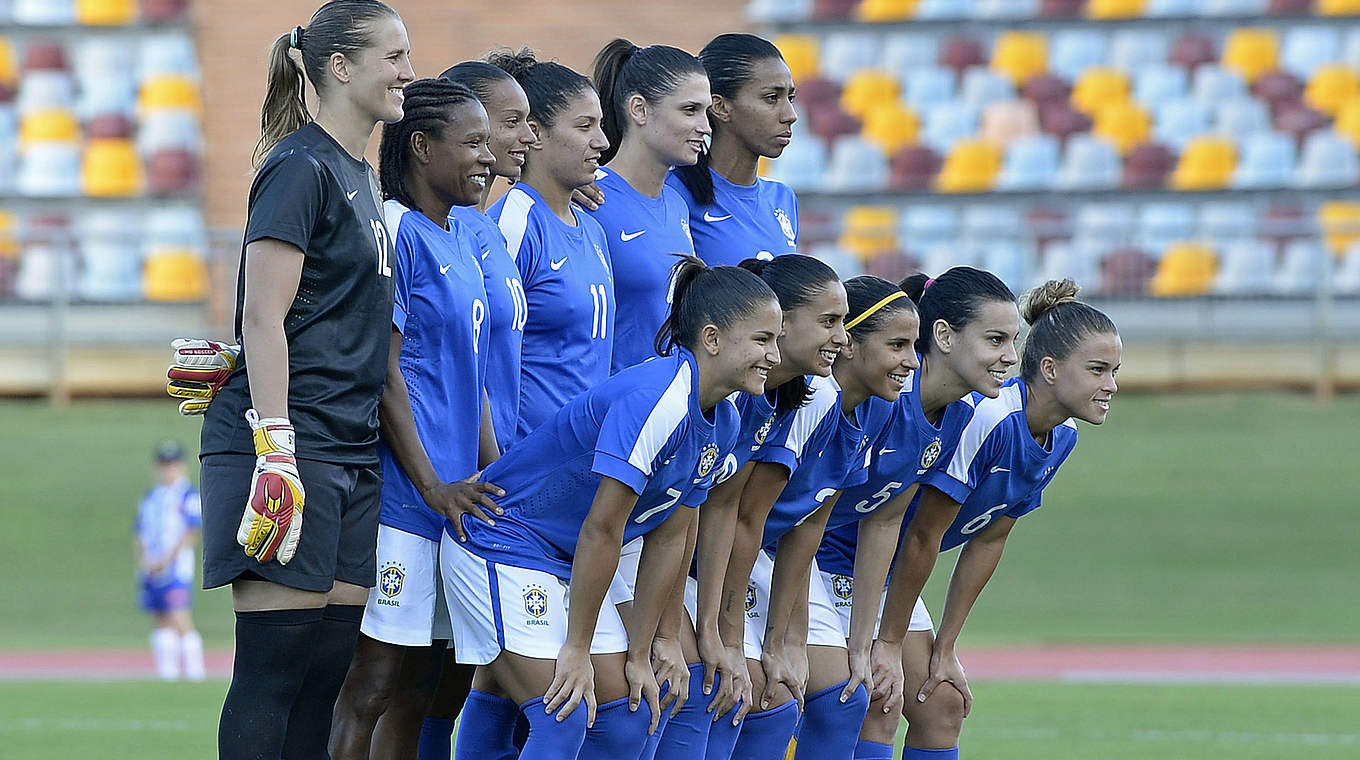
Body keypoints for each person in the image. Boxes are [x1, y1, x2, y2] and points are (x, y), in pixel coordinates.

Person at [442, 257, 782, 759]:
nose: (774, 354)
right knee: (562, 713)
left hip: (566, 557)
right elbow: (602, 531)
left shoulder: (724, 420)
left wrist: (645, 651)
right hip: (504, 539)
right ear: (711, 339)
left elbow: (670, 532)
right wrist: (576, 649)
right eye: (762, 339)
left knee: (629, 718)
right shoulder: (658, 400)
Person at [194, 3, 412, 757]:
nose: (407, 71)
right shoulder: (299, 165)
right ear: (341, 67)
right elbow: (263, 316)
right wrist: (275, 448)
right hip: (289, 446)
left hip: (348, 450)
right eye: (393, 55)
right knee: (274, 672)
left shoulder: (358, 174)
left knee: (325, 676)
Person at [852, 280, 1121, 760]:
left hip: (894, 573)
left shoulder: (1062, 439)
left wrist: (946, 646)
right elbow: (921, 533)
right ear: (1051, 369)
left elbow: (990, 538)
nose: (1111, 386)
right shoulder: (988, 415)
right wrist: (889, 643)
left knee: (942, 706)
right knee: (880, 701)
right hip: (856, 560)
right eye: (1098, 370)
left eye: (1113, 371)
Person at [326, 78, 502, 760]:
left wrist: (488, 472)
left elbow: (470, 376)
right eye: (474, 143)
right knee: (372, 682)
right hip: (404, 499)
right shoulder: (398, 229)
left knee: (427, 686)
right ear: (422, 147)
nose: (488, 158)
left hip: (456, 499)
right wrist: (431, 486)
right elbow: (385, 370)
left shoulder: (456, 234)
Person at [812, 266, 1022, 731]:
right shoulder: (880, 398)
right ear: (944, 336)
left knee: (939, 703)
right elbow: (809, 513)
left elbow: (886, 522)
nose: (1010, 357)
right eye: (995, 340)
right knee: (855, 697)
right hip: (812, 556)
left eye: (1013, 342)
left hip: (863, 567)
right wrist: (865, 647)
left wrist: (880, 643)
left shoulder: (959, 413)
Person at [656, 253, 849, 760]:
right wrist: (719, 639)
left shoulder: (788, 395)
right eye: (829, 322)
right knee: (699, 688)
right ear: (780, 321)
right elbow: (697, 513)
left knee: (763, 696)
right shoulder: (728, 391)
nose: (842, 338)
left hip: (692, 558)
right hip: (644, 547)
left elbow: (745, 519)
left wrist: (748, 639)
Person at [717, 278, 916, 760]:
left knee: (843, 695)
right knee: (741, 697)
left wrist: (793, 640)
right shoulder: (810, 400)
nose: (912, 361)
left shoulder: (871, 409)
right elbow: (740, 519)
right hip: (706, 559)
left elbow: (808, 524)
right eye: (898, 345)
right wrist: (734, 637)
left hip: (756, 560)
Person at [486, 50, 615, 443]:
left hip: (583, 460)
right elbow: (483, 353)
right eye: (584, 126)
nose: (602, 141)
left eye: (601, 125)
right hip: (524, 463)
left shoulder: (594, 231)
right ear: (536, 133)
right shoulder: (516, 221)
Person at [587, 38, 710, 371]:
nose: (706, 127)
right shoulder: (587, 198)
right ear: (639, 109)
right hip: (611, 410)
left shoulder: (677, 204)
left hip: (667, 409)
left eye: (706, 111)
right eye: (690, 110)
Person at [668, 34, 800, 267]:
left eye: (790, 97)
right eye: (772, 98)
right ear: (720, 107)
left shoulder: (783, 198)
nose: (790, 115)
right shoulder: (673, 193)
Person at [134, 440, 205, 682]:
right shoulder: (151, 497)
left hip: (175, 567)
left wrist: (166, 559)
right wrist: (146, 560)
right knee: (160, 616)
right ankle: (167, 673)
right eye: (164, 464)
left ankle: (195, 671)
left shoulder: (187, 495)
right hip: (151, 566)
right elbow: (141, 531)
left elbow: (191, 531)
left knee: (180, 616)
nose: (168, 470)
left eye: (172, 464)